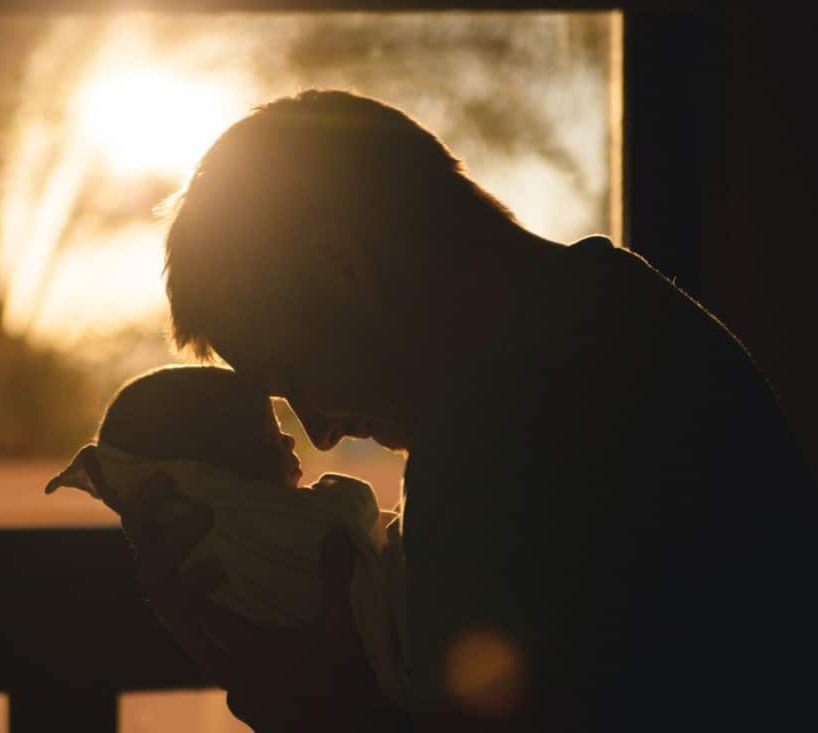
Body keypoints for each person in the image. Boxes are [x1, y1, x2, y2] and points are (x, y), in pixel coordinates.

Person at [123, 90, 817, 731]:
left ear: (343, 270)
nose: (321, 430)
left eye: (293, 374)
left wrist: (307, 700)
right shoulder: (628, 327)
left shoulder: (505, 427)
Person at [44, 365, 410, 704]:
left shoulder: (196, 564)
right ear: (211, 479)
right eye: (267, 438)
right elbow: (355, 514)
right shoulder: (266, 533)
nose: (293, 441)